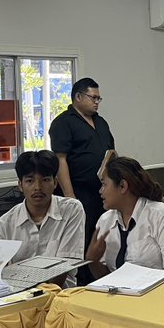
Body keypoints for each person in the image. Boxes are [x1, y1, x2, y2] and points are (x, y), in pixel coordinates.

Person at [0, 150, 85, 286]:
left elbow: (62, 269)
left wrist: (43, 295)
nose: (38, 187)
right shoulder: (3, 225)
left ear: (55, 182)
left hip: (60, 293)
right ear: (20, 185)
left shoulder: (71, 210)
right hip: (18, 293)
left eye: (45, 180)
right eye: (30, 181)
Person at [86, 157, 164, 278]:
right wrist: (93, 261)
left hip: (158, 288)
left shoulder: (162, 216)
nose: (100, 191)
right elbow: (105, 279)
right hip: (118, 289)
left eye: (104, 184)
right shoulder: (105, 220)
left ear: (122, 186)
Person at [48, 77, 115, 255]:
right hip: (79, 191)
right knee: (81, 240)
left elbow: (111, 153)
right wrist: (70, 197)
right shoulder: (63, 123)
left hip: (102, 191)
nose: (97, 102)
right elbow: (60, 160)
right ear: (78, 97)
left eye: (99, 98)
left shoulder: (101, 122)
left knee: (102, 237)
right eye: (93, 97)